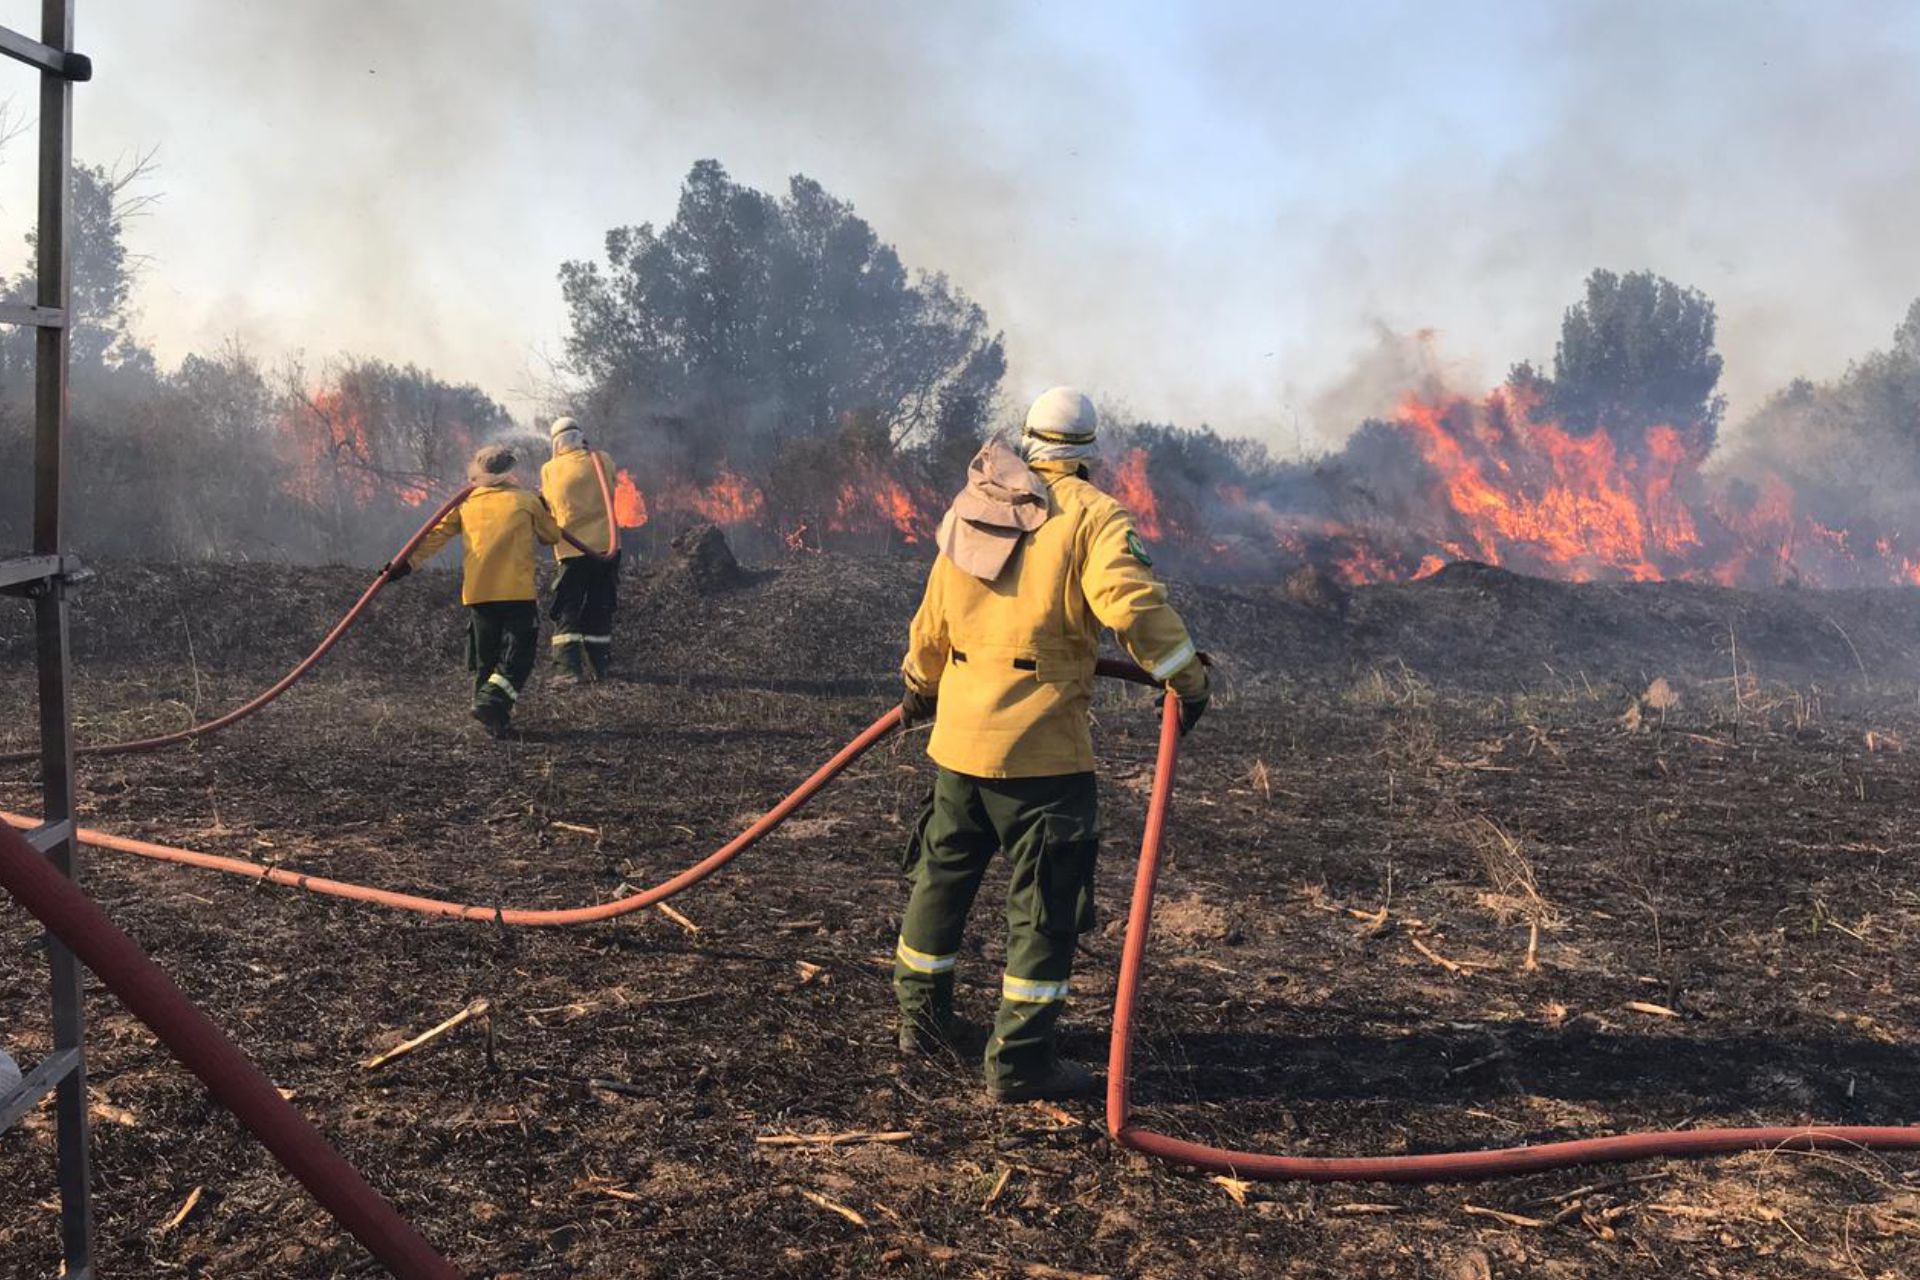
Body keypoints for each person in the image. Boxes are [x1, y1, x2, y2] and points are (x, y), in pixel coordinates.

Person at [893, 387, 1211, 1103]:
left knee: (941, 880)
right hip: (1042, 757)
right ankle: (1020, 1063)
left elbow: (934, 614)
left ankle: (920, 1023)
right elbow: (1129, 605)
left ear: (1028, 440)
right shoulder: (1093, 517)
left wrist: (919, 682)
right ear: (1091, 451)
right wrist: (1185, 679)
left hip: (957, 742)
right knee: (1044, 906)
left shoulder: (975, 502)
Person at [389, 444, 564, 738]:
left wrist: (406, 565)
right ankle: (490, 703)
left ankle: (494, 720)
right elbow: (552, 536)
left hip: (479, 592)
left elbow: (435, 535)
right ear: (510, 472)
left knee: (487, 657)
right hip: (516, 592)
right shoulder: (524, 500)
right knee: (518, 657)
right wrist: (546, 508)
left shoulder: (465, 503)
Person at [539, 416, 622, 683]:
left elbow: (550, 504)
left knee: (567, 608)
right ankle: (602, 666)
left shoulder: (550, 469)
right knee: (600, 606)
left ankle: (567, 671)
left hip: (572, 550)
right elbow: (611, 488)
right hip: (606, 547)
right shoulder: (603, 460)